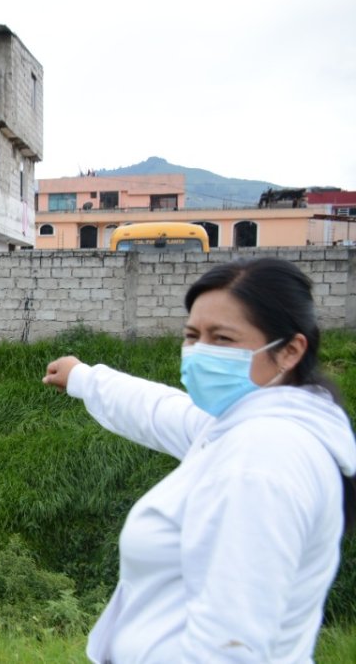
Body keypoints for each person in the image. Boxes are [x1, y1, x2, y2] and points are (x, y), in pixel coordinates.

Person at [42, 257, 356, 663]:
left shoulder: (263, 459)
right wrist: (83, 378)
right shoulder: (245, 425)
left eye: (222, 339)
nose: (200, 352)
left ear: (289, 351)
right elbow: (163, 411)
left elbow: (230, 650)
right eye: (192, 335)